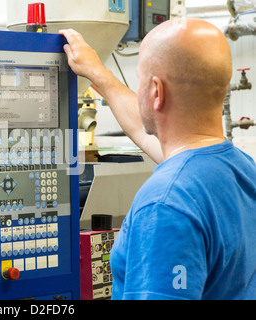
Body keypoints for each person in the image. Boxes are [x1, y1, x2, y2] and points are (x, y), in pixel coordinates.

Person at [60, 18, 256, 299]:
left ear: (155, 91)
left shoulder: (166, 202)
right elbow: (152, 134)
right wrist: (99, 74)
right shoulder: (241, 169)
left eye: (140, 79)